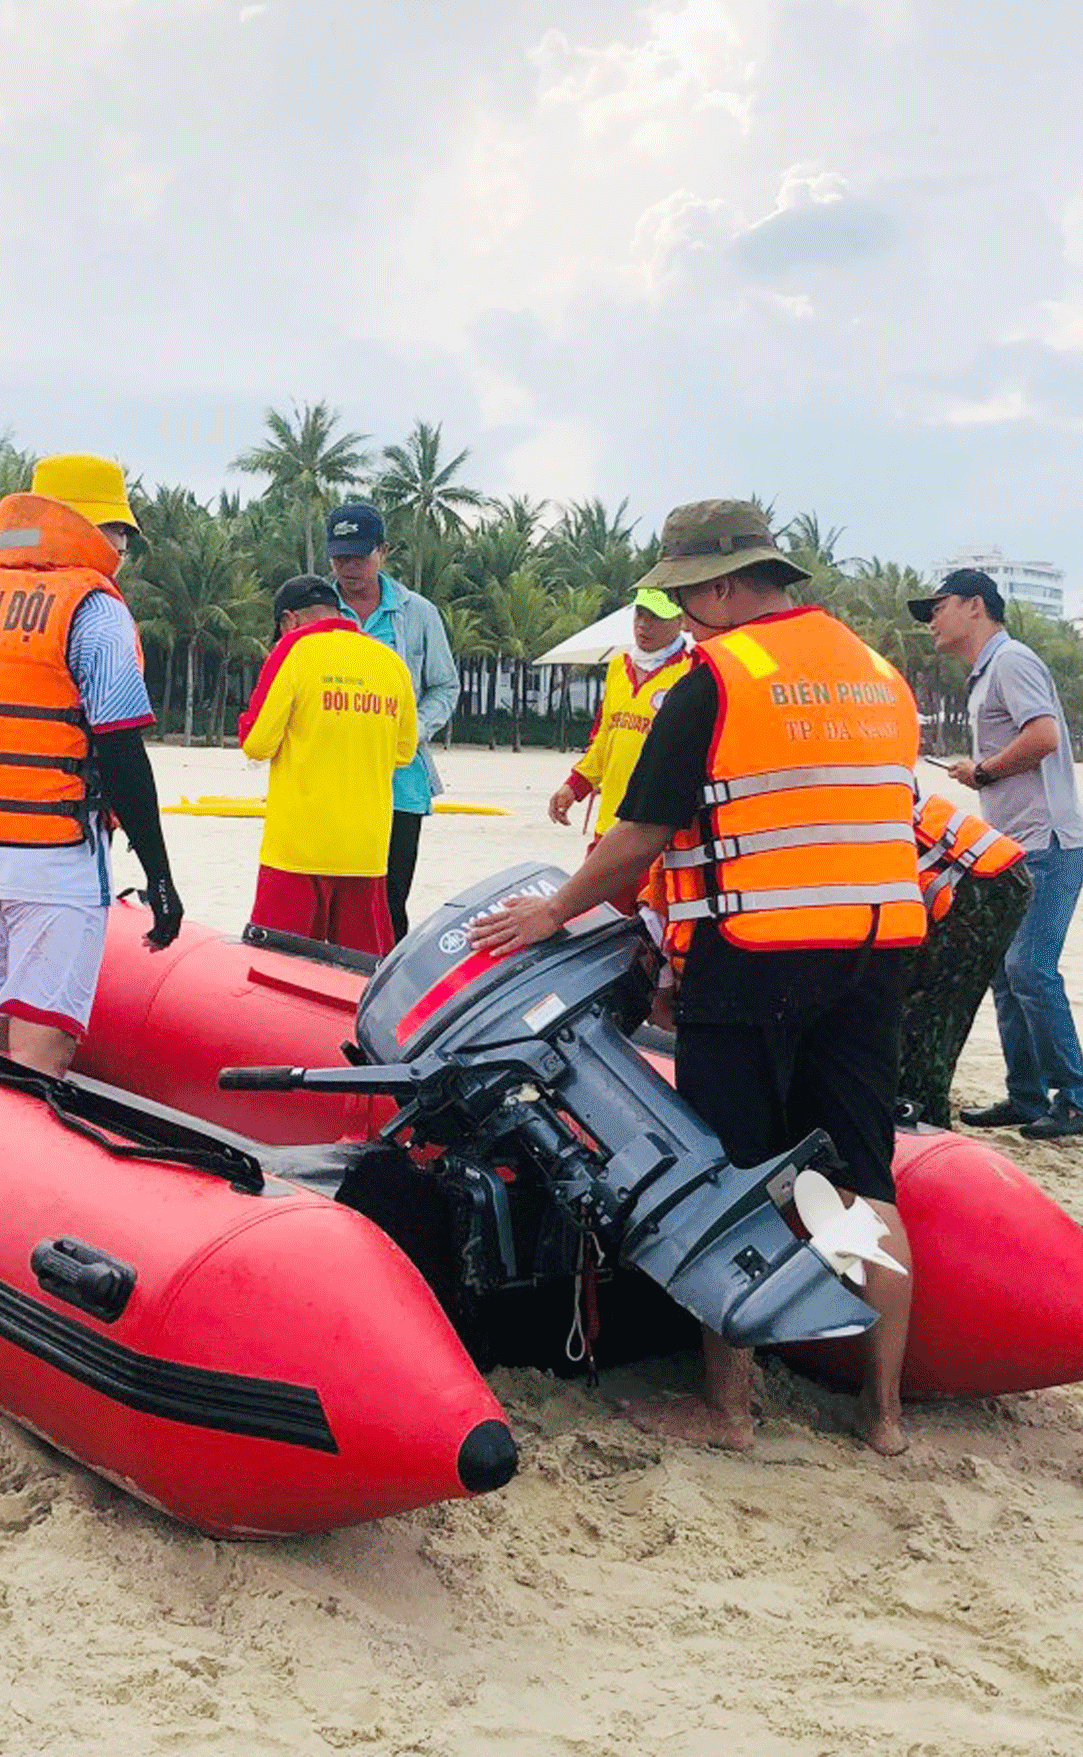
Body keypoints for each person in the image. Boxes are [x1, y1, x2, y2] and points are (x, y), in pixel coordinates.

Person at [468, 498, 926, 1456]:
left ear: (721, 586)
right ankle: (883, 1418)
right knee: (861, 1178)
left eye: (687, 594)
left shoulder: (713, 678)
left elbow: (638, 838)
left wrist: (550, 913)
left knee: (737, 1174)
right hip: (876, 950)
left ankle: (727, 1412)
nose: (683, 614)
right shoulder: (876, 671)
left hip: (755, 954)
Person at [0, 452, 183, 1078]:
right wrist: (159, 877)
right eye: (120, 532)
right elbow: (124, 752)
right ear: (91, 529)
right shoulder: (95, 612)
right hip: (55, 857)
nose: (123, 547)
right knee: (42, 1048)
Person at [912, 567, 1083, 1139]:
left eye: (938, 607)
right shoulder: (985, 672)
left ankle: (1074, 1102)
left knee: (1030, 969)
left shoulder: (1011, 661)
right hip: (1018, 842)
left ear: (974, 606)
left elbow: (1043, 737)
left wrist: (984, 770)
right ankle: (1026, 1095)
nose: (932, 621)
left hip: (1049, 838)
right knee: (1005, 970)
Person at [236, 575, 417, 953]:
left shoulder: (293, 651)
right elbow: (404, 752)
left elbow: (256, 744)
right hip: (366, 851)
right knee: (359, 975)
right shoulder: (389, 661)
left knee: (278, 972)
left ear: (289, 620)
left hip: (296, 849)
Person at [325, 500, 458, 939]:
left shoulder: (418, 613)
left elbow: (445, 686)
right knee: (336, 899)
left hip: (401, 780)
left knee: (389, 900)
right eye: (340, 556)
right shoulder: (317, 610)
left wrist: (409, 731)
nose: (349, 567)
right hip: (335, 779)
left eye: (359, 556)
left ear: (382, 551)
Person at [896, 793, 1030, 1130]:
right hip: (985, 871)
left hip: (982, 883)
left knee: (924, 1023)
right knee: (928, 1019)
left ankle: (923, 1124)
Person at [548, 588, 693, 857]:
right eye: (640, 613)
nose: (643, 625)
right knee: (597, 899)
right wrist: (574, 786)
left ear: (681, 620)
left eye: (656, 617)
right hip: (610, 824)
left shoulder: (691, 671)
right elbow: (604, 739)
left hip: (659, 831)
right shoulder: (617, 668)